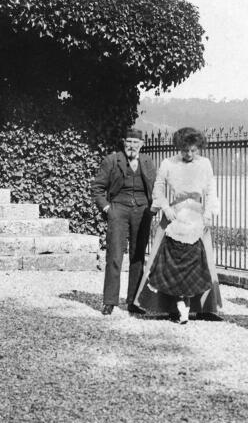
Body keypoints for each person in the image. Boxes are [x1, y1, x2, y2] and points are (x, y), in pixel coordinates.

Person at [135, 127, 223, 323]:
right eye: (185, 150)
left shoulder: (205, 164)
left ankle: (204, 308)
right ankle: (169, 307)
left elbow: (210, 189)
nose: (189, 154)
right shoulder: (168, 163)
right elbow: (158, 187)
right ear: (179, 148)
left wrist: (208, 214)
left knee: (203, 259)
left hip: (197, 215)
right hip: (175, 214)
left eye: (193, 150)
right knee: (167, 260)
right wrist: (165, 207)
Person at [90, 128, 157, 316]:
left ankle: (134, 301)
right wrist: (107, 209)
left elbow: (156, 187)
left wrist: (154, 209)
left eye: (136, 142)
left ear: (142, 144)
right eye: (129, 142)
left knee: (137, 256)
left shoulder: (147, 162)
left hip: (142, 211)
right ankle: (110, 301)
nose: (132, 146)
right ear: (123, 142)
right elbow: (97, 188)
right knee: (115, 255)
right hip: (118, 209)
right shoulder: (112, 160)